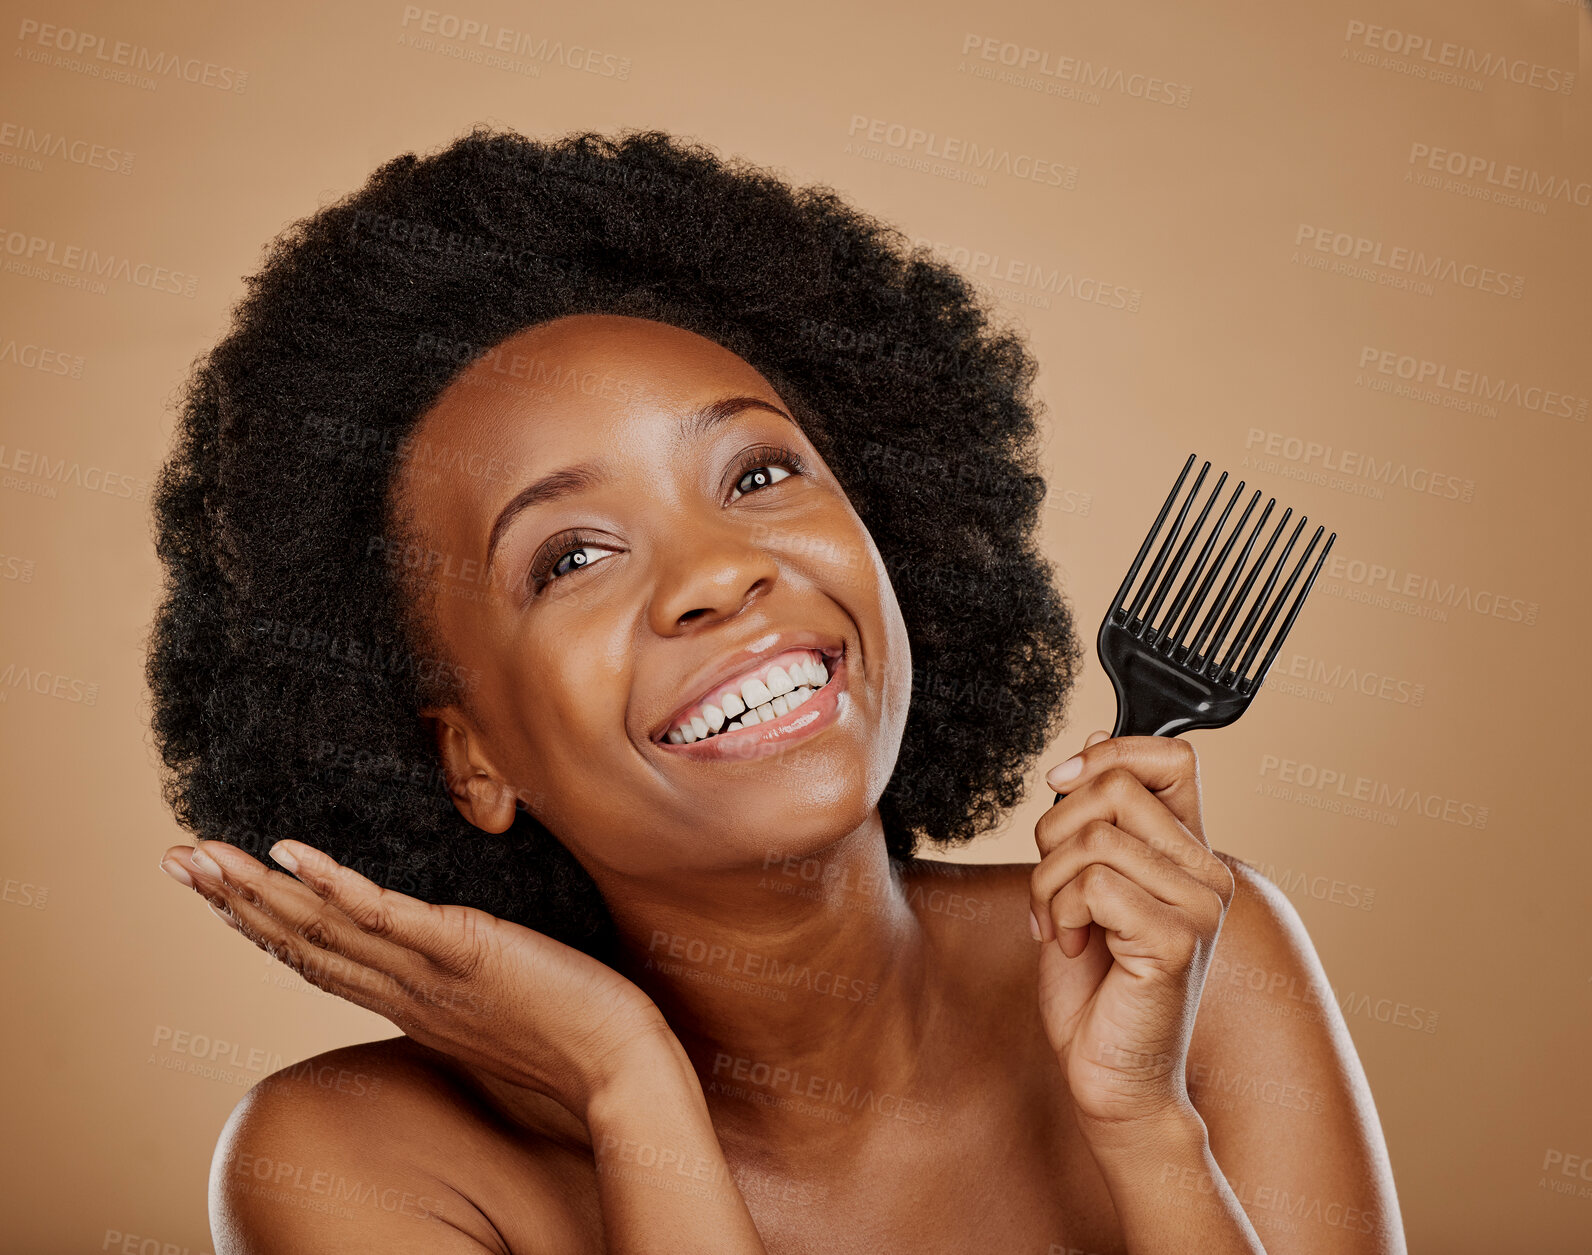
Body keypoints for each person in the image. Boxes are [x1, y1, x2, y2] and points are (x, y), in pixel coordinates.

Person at [147, 125, 1406, 1254]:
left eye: (755, 475)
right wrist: (627, 1076)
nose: (716, 575)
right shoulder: (351, 1166)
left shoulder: (1192, 958)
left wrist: (1145, 1128)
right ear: (469, 758)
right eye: (571, 557)